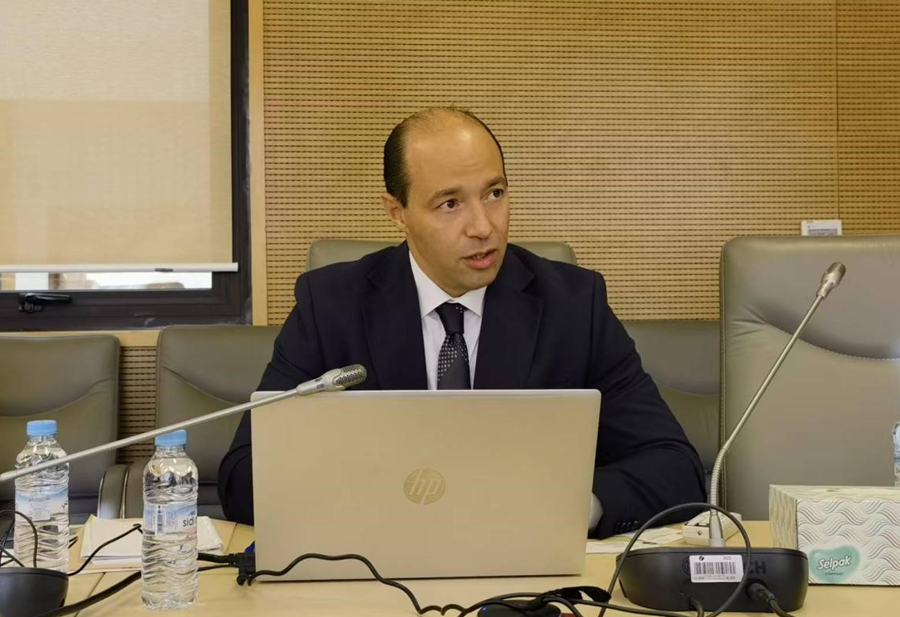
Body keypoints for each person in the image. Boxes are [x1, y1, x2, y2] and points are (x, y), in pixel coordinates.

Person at [218, 108, 706, 538]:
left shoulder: (574, 306)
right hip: (378, 566)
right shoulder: (331, 305)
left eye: (494, 193)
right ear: (398, 213)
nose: (483, 226)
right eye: (450, 203)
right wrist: (381, 506)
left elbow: (674, 467)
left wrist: (566, 507)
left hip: (523, 570)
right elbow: (245, 474)